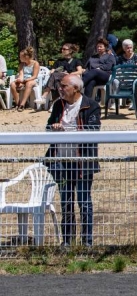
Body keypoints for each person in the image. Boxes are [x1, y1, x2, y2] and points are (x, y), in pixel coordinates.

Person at [44, 74, 101, 246]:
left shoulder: (91, 105)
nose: (60, 89)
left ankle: (87, 243)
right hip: (61, 162)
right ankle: (67, 243)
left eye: (63, 86)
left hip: (82, 163)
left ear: (76, 88)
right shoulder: (58, 105)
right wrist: (53, 128)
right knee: (66, 203)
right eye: (60, 86)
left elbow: (93, 131)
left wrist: (67, 131)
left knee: (84, 203)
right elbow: (47, 128)